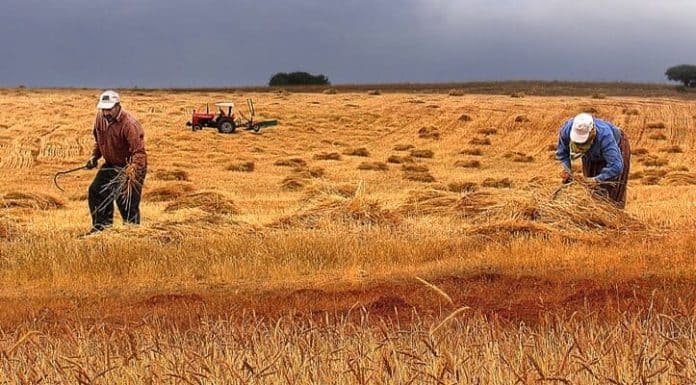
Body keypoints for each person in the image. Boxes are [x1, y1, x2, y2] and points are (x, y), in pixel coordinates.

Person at [82, 90, 147, 235]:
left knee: (126, 202)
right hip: (111, 164)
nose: (106, 113)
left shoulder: (130, 124)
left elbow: (139, 153)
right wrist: (94, 157)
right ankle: (101, 229)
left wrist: (132, 172)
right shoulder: (100, 119)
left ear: (118, 106)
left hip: (131, 166)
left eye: (109, 109)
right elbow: (100, 141)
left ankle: (132, 234)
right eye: (103, 109)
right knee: (96, 191)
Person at [555, 113, 631, 208]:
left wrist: (596, 180)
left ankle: (614, 216)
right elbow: (562, 152)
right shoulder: (566, 130)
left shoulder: (605, 135)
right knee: (591, 191)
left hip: (616, 148)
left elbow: (616, 166)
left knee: (612, 194)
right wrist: (567, 170)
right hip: (591, 155)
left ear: (591, 135)